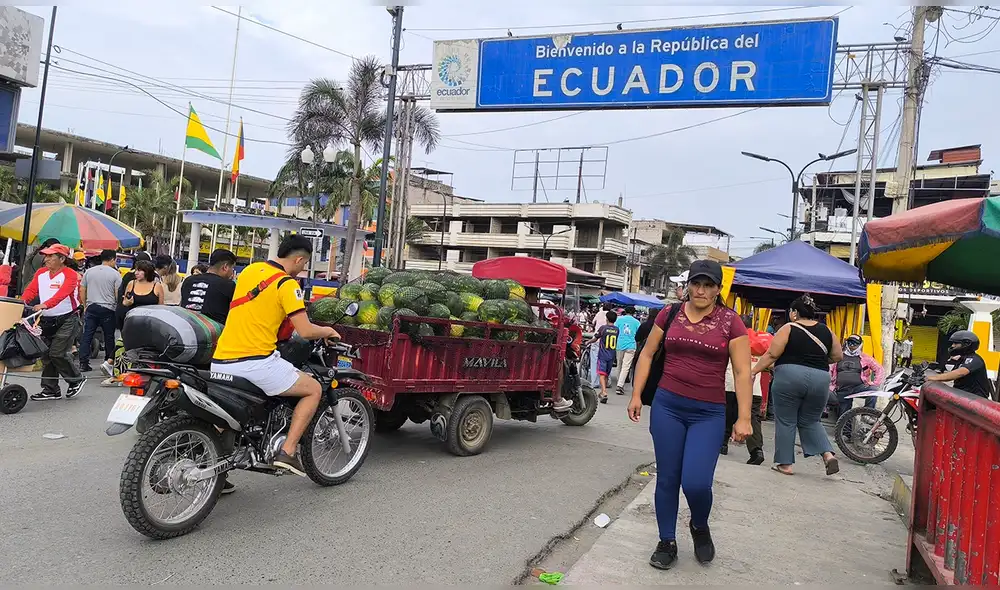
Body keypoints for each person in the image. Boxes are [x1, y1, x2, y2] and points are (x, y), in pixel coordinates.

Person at [627, 260, 753, 571]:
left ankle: (699, 525)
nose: (700, 290)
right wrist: (637, 395)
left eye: (708, 285)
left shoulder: (730, 322)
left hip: (708, 413)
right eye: (696, 283)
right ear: (688, 285)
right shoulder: (669, 314)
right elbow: (647, 353)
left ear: (717, 290)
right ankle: (667, 542)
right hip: (668, 406)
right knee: (668, 478)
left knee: (696, 483)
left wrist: (745, 417)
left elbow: (741, 370)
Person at [211, 235, 340, 477]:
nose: (303, 269)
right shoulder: (287, 284)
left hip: (220, 360)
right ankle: (288, 452)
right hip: (254, 363)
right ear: (299, 259)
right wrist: (328, 330)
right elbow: (305, 330)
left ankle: (219, 473)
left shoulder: (250, 270)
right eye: (305, 264)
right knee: (313, 389)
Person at [752, 294, 843, 477]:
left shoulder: (789, 328)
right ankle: (827, 455)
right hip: (820, 378)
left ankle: (785, 464)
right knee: (811, 420)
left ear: (794, 313)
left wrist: (753, 371)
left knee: (786, 420)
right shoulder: (826, 331)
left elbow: (772, 354)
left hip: (789, 376)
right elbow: (837, 356)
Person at [21, 244, 86, 401]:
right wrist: (20, 301)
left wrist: (46, 304)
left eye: (51, 256)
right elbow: (31, 290)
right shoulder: (41, 273)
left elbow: (63, 294)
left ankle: (76, 379)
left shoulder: (71, 275)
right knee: (46, 354)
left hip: (68, 319)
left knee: (57, 353)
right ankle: (51, 389)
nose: (46, 259)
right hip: (46, 319)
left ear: (62, 259)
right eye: (46, 256)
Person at [722, 315, 765, 465]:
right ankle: (756, 450)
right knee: (753, 419)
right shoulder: (759, 342)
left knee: (727, 414)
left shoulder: (732, 338)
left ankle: (722, 444)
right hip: (754, 388)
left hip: (732, 385)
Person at [78, 250, 122, 375]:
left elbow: (82, 289)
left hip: (91, 307)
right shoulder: (115, 274)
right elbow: (117, 292)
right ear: (113, 259)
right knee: (109, 336)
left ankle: (83, 363)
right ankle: (108, 361)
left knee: (87, 335)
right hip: (108, 308)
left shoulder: (89, 272)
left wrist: (85, 304)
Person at [926, 330, 994, 399]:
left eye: (956, 343)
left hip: (974, 401)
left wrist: (930, 378)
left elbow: (959, 373)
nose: (952, 346)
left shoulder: (974, 359)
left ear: (966, 344)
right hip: (962, 397)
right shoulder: (962, 359)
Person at [829, 334, 883, 419]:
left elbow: (879, 369)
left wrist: (875, 383)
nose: (852, 345)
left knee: (873, 390)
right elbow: (829, 370)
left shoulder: (866, 358)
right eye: (850, 342)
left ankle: (866, 414)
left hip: (859, 388)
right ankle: (845, 432)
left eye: (855, 343)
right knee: (843, 418)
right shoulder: (839, 356)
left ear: (860, 344)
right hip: (842, 389)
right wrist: (831, 386)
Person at [181, 249, 237, 325]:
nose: (232, 272)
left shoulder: (188, 281)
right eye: (232, 268)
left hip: (185, 328)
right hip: (213, 333)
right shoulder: (229, 285)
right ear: (225, 267)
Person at [586, 310, 618, 403]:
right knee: (606, 374)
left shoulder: (603, 328)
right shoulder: (617, 330)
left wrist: (588, 342)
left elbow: (595, 338)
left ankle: (604, 392)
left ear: (606, 319)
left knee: (601, 374)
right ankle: (603, 391)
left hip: (603, 354)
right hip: (611, 355)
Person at [614, 306, 641, 395]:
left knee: (619, 364)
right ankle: (620, 385)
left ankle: (619, 383)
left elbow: (615, 330)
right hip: (631, 345)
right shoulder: (637, 322)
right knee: (626, 366)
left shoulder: (619, 320)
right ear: (633, 313)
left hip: (619, 344)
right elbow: (638, 335)